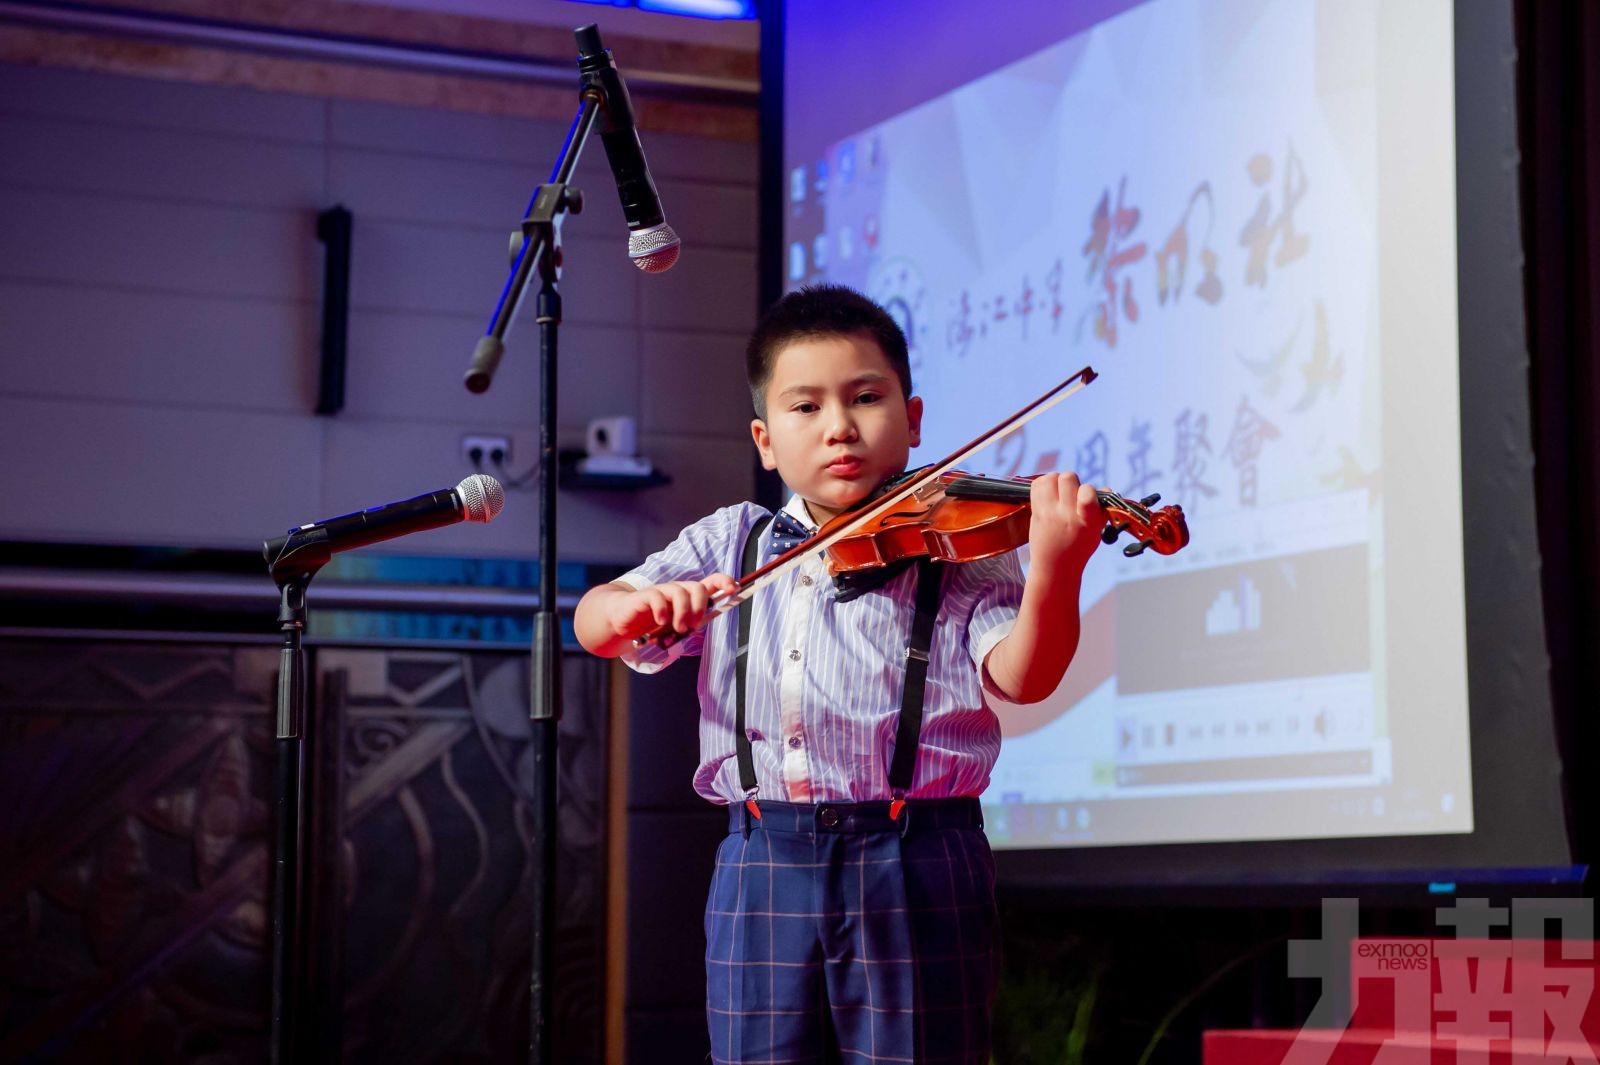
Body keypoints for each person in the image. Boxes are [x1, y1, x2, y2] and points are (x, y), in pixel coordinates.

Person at [574, 284, 1104, 1064]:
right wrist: (639, 606)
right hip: (761, 855)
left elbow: (1024, 678)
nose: (840, 428)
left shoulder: (959, 544)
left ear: (913, 418)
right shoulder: (734, 540)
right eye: (806, 407)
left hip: (916, 854)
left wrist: (1058, 564)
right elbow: (595, 616)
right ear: (764, 439)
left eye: (865, 398)